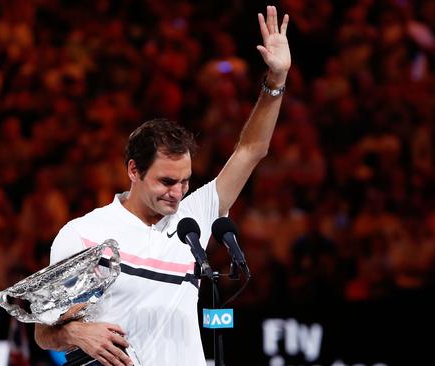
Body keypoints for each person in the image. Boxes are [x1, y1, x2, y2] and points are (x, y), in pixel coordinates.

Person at [34, 6, 291, 366]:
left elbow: (251, 150)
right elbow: (43, 332)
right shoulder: (83, 234)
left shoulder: (191, 221)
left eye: (186, 181)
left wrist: (275, 81)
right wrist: (75, 333)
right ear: (134, 171)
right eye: (167, 181)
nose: (178, 192)